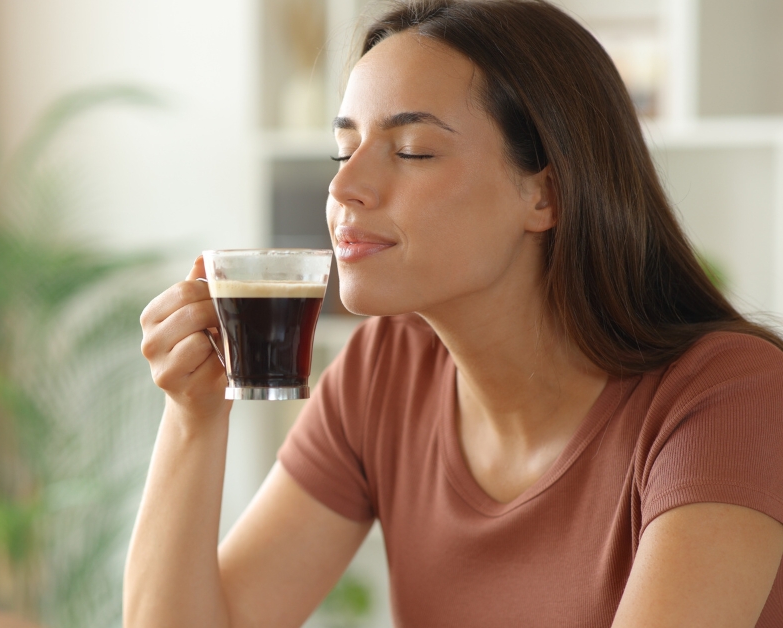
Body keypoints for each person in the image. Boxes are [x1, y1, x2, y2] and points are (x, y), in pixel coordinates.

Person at [124, 0, 783, 626]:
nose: (343, 186)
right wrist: (192, 417)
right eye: (342, 148)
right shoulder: (383, 371)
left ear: (545, 195)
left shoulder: (728, 399)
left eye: (412, 151)